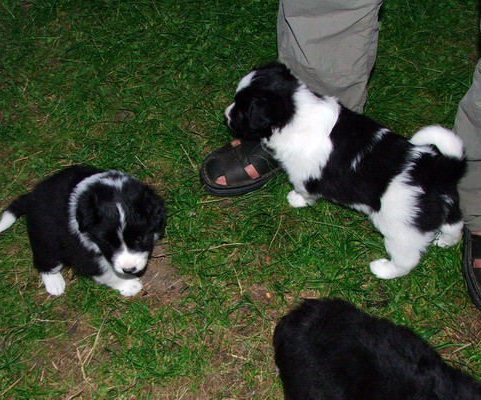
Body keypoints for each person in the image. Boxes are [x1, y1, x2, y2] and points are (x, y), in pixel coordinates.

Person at [199, 0, 481, 308]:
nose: (230, 113)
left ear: (269, 123)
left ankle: (403, 263)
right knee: (440, 186)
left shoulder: (302, 152)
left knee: (400, 229)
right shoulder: (329, 110)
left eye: (239, 111)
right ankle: (452, 225)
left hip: (396, 200)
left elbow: (307, 183)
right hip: (417, 164)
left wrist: (303, 196)